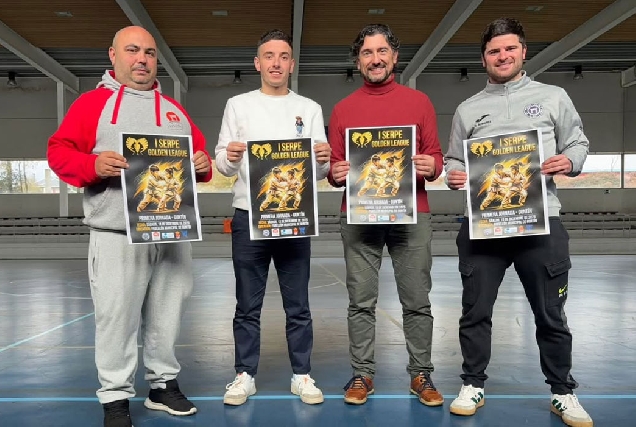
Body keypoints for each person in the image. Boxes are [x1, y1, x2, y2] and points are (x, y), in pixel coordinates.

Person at [47, 26, 212, 427]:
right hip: (116, 233)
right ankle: (115, 397)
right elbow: (58, 152)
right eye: (133, 50)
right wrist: (92, 164)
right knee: (116, 318)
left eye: (150, 53)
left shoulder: (173, 110)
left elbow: (199, 154)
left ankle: (162, 385)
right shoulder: (93, 104)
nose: (142, 59)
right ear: (113, 55)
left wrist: (203, 164)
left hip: (171, 230)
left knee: (168, 315)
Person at [444, 18, 592, 427]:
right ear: (484, 58)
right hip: (483, 226)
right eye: (494, 51)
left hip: (541, 223)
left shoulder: (553, 97)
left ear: (523, 52)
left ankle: (562, 392)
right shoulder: (468, 108)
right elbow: (454, 159)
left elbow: (578, 141)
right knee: (475, 311)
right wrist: (453, 174)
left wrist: (570, 161)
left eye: (510, 48)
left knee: (551, 314)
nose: (503, 56)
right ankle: (473, 384)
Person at [328, 24, 445, 407]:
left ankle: (421, 374)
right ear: (358, 61)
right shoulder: (343, 110)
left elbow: (436, 158)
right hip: (359, 216)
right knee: (360, 301)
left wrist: (432, 166)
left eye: (382, 52)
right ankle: (362, 374)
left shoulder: (420, 102)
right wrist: (336, 172)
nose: (375, 59)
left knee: (417, 300)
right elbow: (333, 167)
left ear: (394, 57)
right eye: (367, 52)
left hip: (412, 216)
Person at [214, 29, 331, 406]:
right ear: (257, 63)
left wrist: (324, 160)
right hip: (248, 216)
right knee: (247, 305)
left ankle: (302, 375)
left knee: (298, 305)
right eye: (269, 56)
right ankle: (244, 375)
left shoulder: (309, 108)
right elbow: (222, 164)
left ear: (292, 64)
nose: (276, 63)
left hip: (294, 215)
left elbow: (319, 172)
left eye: (283, 56)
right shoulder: (237, 105)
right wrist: (230, 157)